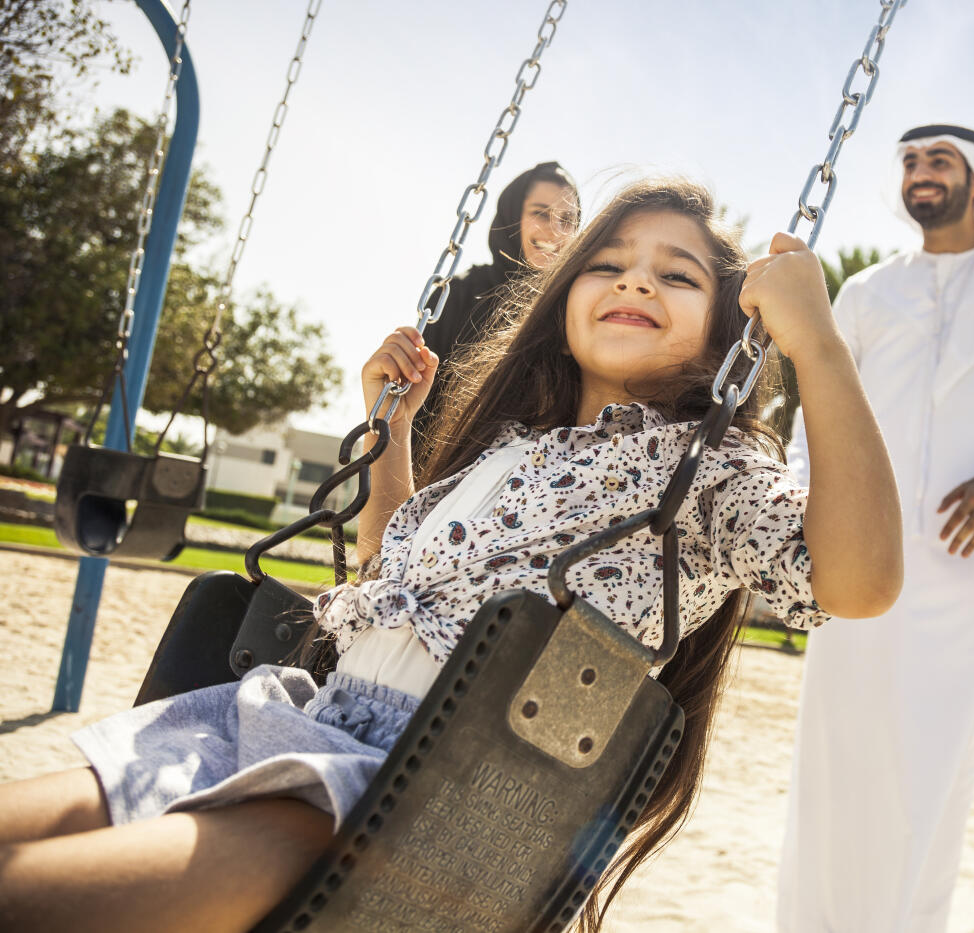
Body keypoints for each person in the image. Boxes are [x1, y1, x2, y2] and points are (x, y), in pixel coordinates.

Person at [0, 178, 903, 933]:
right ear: (564, 303)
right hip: (292, 717)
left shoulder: (707, 468)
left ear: (728, 333)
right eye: (610, 264)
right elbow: (390, 571)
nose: (639, 282)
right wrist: (388, 423)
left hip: (422, 791)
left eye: (678, 274)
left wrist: (816, 342)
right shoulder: (512, 446)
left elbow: (857, 583)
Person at [777, 124, 974, 932]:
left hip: (968, 575)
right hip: (857, 558)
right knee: (838, 756)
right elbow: (818, 411)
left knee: (931, 764)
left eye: (938, 160)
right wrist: (805, 520)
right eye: (910, 161)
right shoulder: (868, 292)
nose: (920, 173)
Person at [413, 161, 581, 445]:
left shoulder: (575, 307)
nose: (555, 230)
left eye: (567, 219)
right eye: (540, 213)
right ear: (512, 216)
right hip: (445, 465)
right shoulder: (461, 293)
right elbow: (420, 404)